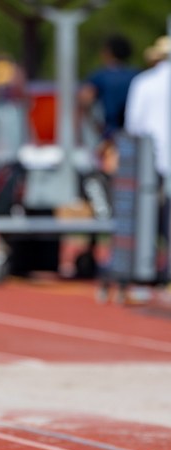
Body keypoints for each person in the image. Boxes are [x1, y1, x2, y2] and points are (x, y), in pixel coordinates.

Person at [124, 35, 171, 291]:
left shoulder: (144, 83)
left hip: (152, 160)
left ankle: (149, 265)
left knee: (149, 214)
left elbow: (134, 124)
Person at [78, 34, 139, 175]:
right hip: (134, 134)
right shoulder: (136, 75)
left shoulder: (101, 76)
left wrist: (94, 123)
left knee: (108, 174)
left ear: (109, 52)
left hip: (110, 134)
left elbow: (85, 99)